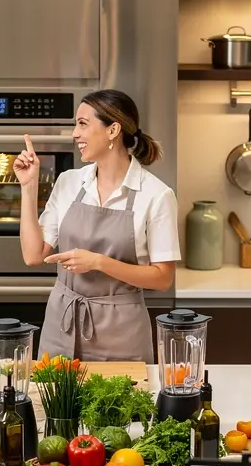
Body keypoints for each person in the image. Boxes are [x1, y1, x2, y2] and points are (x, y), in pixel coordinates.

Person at [15, 90, 179, 363]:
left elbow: (163, 278)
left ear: (113, 130)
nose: (75, 134)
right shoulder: (68, 182)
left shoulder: (156, 195)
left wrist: (99, 262)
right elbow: (33, 255)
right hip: (61, 325)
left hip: (120, 335)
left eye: (83, 124)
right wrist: (29, 187)